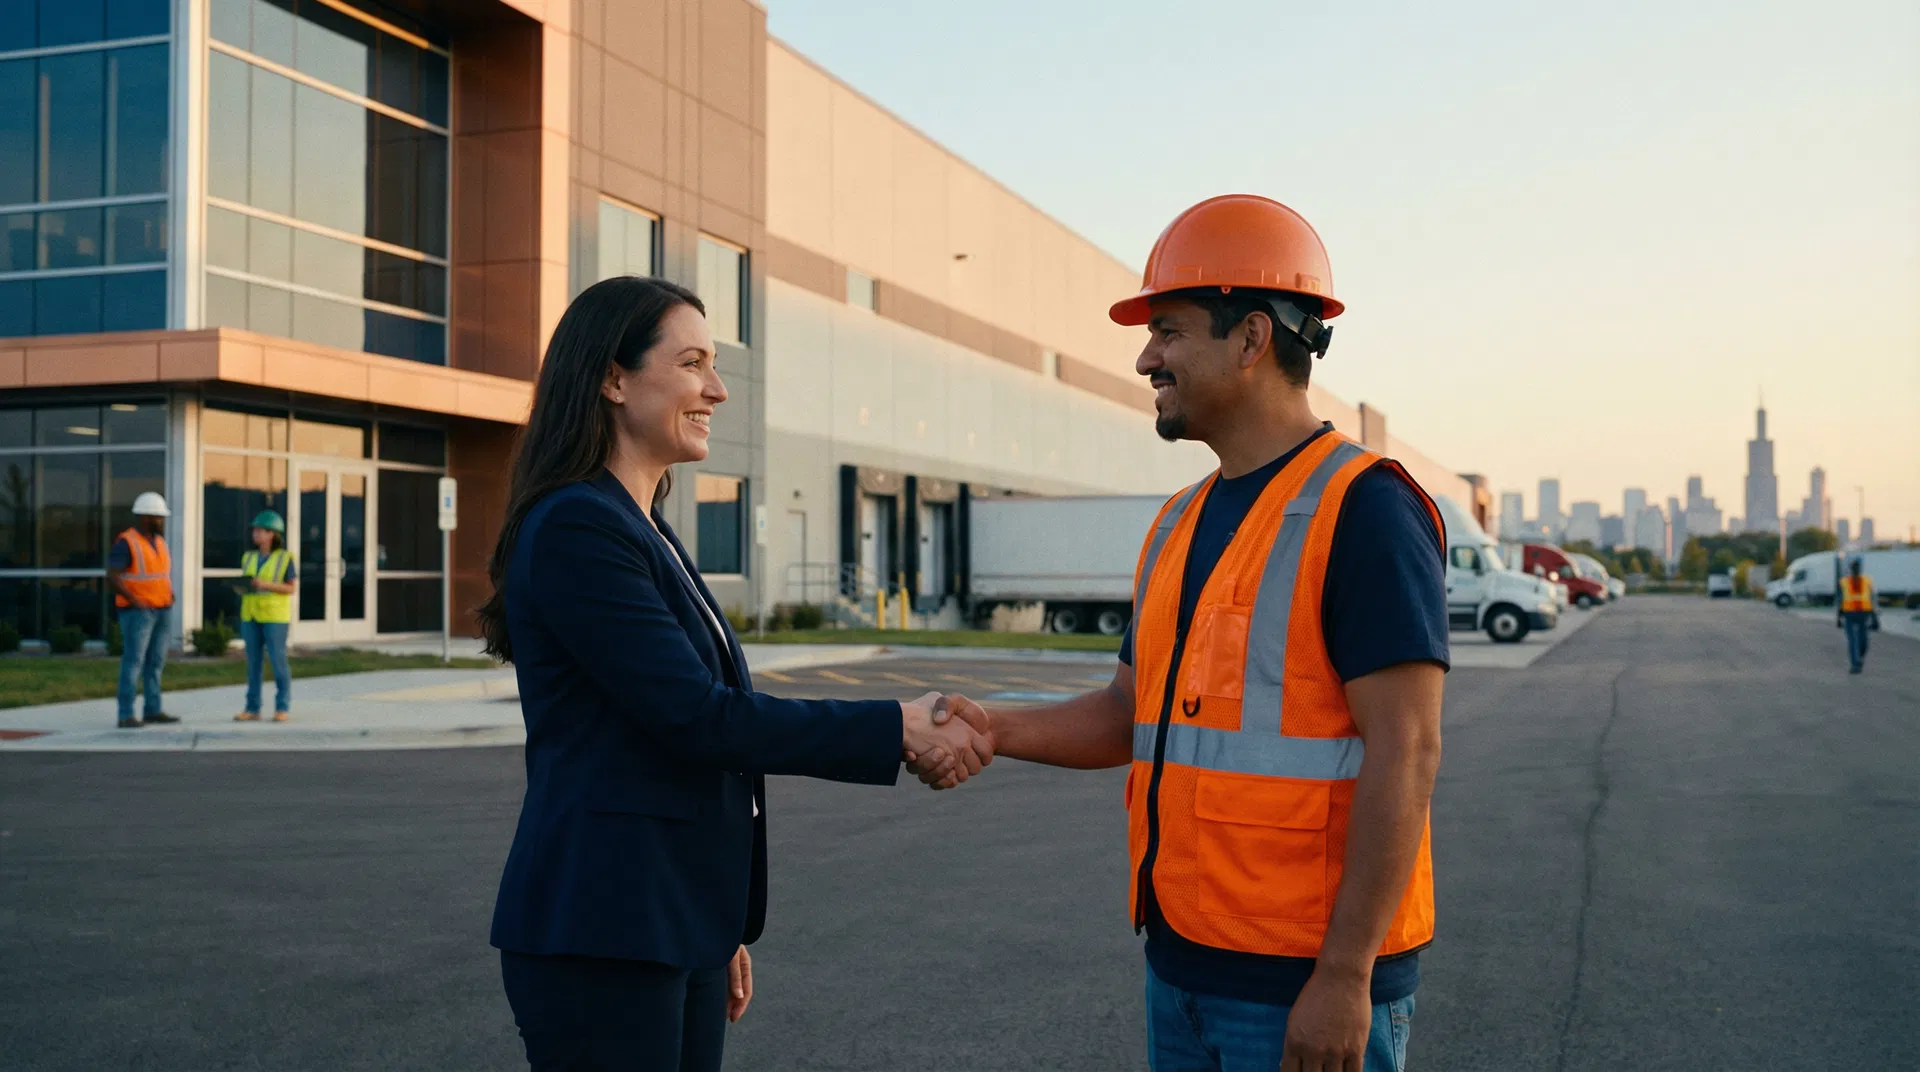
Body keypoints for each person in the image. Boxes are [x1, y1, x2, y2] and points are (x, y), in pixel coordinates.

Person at [938, 195, 1448, 1071]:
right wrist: (994, 727)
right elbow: (1125, 714)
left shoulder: (1364, 509)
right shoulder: (1179, 520)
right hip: (1183, 967)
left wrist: (1344, 975)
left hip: (1302, 986)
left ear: (1252, 339)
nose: (1146, 358)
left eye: (1168, 330)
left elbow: (1408, 750)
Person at [477, 275, 991, 1072]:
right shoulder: (579, 525)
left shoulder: (639, 524)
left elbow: (689, 733)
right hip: (604, 931)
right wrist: (894, 728)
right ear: (613, 379)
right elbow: (699, 716)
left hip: (669, 922)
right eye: (692, 364)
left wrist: (712, 928)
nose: (716, 389)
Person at [107, 492, 179, 729]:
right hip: (138, 613)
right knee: (134, 661)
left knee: (155, 662)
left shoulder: (159, 542)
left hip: (162, 608)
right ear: (147, 517)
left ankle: (153, 710)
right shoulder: (126, 542)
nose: (163, 521)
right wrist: (134, 600)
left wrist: (168, 593)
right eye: (160, 517)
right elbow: (113, 576)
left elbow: (159, 575)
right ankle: (126, 714)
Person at [235, 511, 297, 722]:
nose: (255, 534)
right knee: (253, 664)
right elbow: (248, 583)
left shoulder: (285, 558)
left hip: (274, 617)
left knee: (278, 662)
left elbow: (291, 588)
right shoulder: (248, 557)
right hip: (250, 615)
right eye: (254, 530)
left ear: (272, 534)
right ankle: (252, 709)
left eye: (260, 530)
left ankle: (282, 707)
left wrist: (265, 585)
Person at [1837, 558, 1878, 674]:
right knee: (1852, 640)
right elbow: (1840, 600)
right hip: (1849, 614)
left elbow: (1872, 599)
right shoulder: (1844, 582)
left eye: (1857, 567)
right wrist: (1839, 618)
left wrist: (1874, 616)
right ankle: (1855, 663)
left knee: (1863, 641)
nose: (1856, 569)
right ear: (1851, 569)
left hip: (1863, 614)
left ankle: (1859, 657)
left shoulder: (1867, 581)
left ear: (1860, 569)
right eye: (1854, 567)